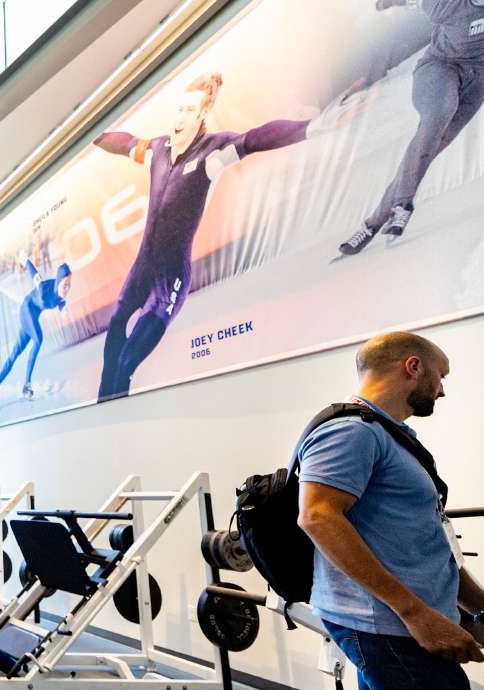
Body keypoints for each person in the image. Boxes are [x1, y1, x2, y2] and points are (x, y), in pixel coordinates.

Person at [94, 72, 357, 400]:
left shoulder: (212, 153)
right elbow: (126, 143)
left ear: (202, 114)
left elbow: (254, 139)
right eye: (179, 109)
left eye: (189, 110)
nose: (180, 117)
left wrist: (309, 128)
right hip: (141, 269)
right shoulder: (158, 149)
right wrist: (92, 134)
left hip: (170, 279)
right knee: (115, 331)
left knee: (125, 362)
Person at [297, 331, 484, 689]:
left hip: (401, 627)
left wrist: (476, 604)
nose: (442, 390)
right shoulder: (350, 432)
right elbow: (317, 517)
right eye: (440, 376)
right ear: (413, 367)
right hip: (391, 629)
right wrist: (417, 616)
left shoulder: (387, 434)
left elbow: (423, 536)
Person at [338, 0, 484, 255]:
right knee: (438, 116)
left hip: (478, 79)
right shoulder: (449, 5)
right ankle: (403, 203)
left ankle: (372, 224)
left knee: (428, 149)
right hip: (440, 68)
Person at [0, 258, 71, 400]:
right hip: (26, 311)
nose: (67, 289)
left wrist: (63, 309)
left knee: (13, 355)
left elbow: (60, 303)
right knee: (38, 339)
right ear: (59, 282)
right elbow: (34, 273)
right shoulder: (43, 288)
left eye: (69, 285)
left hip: (31, 318)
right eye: (65, 285)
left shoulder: (61, 298)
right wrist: (25, 259)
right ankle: (27, 385)